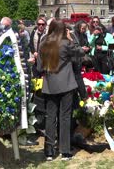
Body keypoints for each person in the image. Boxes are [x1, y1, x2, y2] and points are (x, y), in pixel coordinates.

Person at [37, 20, 84, 161]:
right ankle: (65, 151)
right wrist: (71, 39)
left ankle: (49, 152)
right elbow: (80, 52)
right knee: (65, 117)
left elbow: (39, 68)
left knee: (50, 117)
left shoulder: (43, 43)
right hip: (66, 84)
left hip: (50, 85)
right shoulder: (66, 43)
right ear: (64, 30)